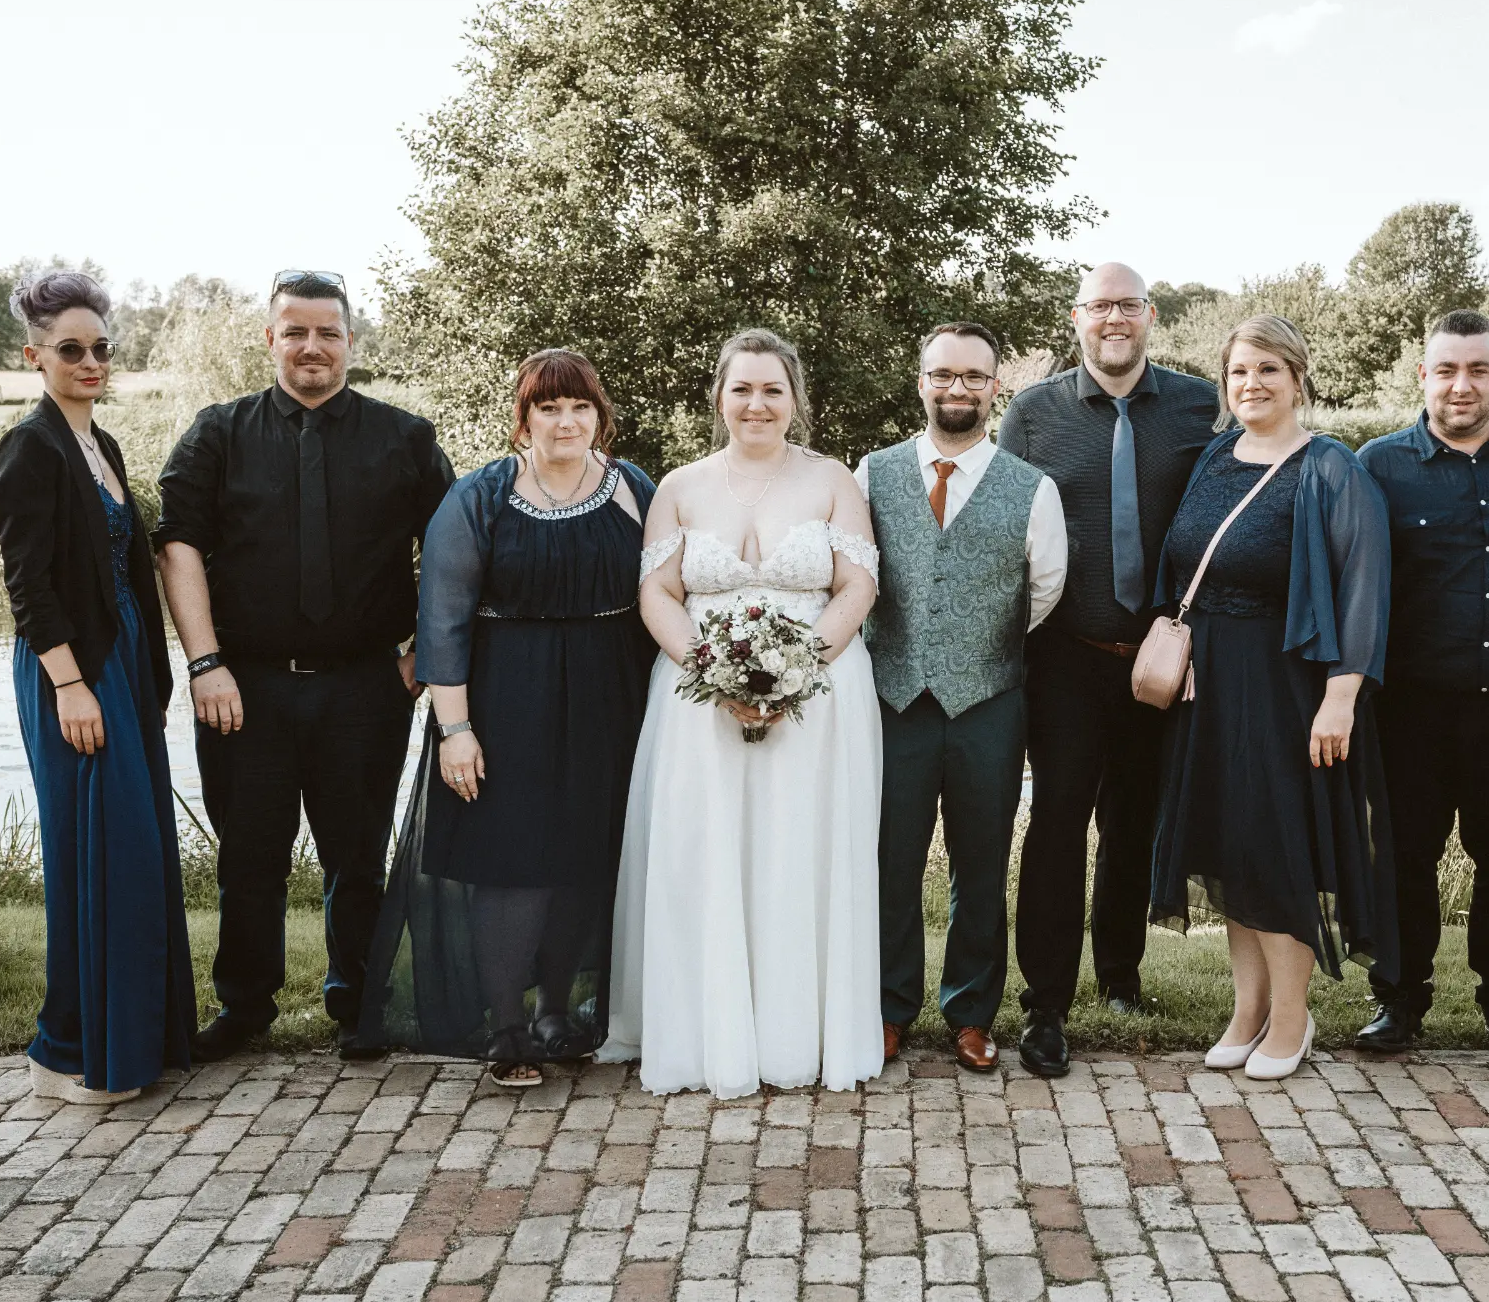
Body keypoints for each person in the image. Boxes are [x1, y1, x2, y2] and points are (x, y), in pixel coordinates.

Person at [156, 270, 455, 1061]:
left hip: (366, 681)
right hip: (243, 683)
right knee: (247, 854)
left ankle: (357, 1000)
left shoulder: (406, 437)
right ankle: (246, 1006)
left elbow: (453, 548)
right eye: (296, 330)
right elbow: (176, 542)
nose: (312, 346)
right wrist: (204, 660)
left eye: (328, 332)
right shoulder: (218, 433)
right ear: (271, 339)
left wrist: (427, 648)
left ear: (351, 341)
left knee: (357, 855)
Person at [355, 351, 656, 1087]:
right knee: (512, 859)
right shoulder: (480, 496)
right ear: (523, 419)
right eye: (549, 408)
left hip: (607, 694)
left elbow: (665, 591)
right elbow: (444, 618)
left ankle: (559, 1011)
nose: (566, 421)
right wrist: (455, 729)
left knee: (587, 855)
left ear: (599, 414)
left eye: (579, 406)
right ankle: (507, 1025)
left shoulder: (633, 490)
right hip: (504, 697)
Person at [600, 328, 885, 1098]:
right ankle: (705, 1035)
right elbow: (657, 594)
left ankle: (803, 1032)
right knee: (709, 854)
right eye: (742, 389)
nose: (756, 404)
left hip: (819, 699)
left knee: (800, 851)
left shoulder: (832, 481)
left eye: (772, 390)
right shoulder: (681, 486)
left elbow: (857, 589)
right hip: (699, 702)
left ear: (796, 400)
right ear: (718, 396)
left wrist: (791, 672)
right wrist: (712, 671)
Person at [1147, 313, 1396, 1080]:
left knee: (1278, 848)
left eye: (1267, 371)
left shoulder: (1330, 467)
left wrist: (1341, 696)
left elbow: (1364, 587)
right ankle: (1247, 1009)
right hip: (1209, 684)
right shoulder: (1216, 455)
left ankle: (1293, 1017)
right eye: (1239, 373)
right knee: (1229, 844)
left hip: (1286, 682)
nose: (1251, 385)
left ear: (1297, 378)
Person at [996, 262, 1219, 1078]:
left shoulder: (1199, 405)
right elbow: (1006, 533)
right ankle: (1046, 1004)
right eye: (1100, 307)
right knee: (1057, 821)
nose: (1114, 319)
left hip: (1162, 659)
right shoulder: (1033, 411)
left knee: (1134, 824)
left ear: (1151, 315)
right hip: (1066, 657)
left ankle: (1120, 975)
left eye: (1128, 305)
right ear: (1077, 318)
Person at [0, 271, 196, 1102]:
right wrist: (71, 685)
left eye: (101, 347)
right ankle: (66, 1049)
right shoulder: (28, 447)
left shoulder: (100, 445)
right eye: (71, 349)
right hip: (70, 667)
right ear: (32, 355)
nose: (90, 361)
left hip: (123, 658)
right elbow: (28, 582)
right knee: (96, 853)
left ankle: (136, 1038)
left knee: (137, 853)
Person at [1352, 311, 1489, 1068]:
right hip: (1409, 704)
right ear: (1423, 376)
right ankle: (1400, 1000)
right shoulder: (1378, 465)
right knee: (1403, 855)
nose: (1462, 385)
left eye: (1478, 369)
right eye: (1447, 369)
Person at [856, 322, 1068, 1073]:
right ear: (921, 382)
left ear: (994, 387)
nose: (957, 388)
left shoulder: (1031, 487)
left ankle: (971, 1013)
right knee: (890, 860)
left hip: (989, 702)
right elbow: (856, 577)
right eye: (943, 374)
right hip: (894, 699)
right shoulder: (870, 473)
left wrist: (980, 648)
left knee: (982, 864)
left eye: (973, 376)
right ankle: (886, 1008)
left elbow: (1043, 592)